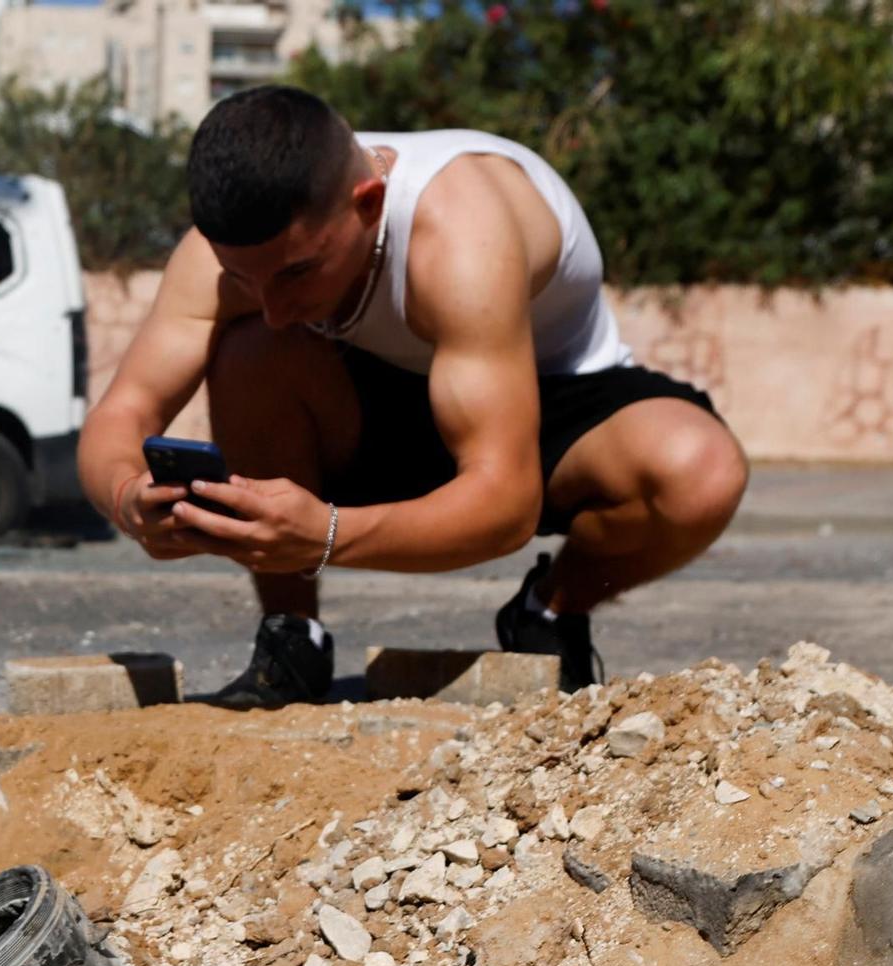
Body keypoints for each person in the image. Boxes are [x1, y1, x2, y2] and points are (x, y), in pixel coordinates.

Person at [76, 86, 749, 706]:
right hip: (373, 406)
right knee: (253, 346)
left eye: (298, 272)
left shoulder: (461, 232)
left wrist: (326, 534)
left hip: (552, 407)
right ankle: (292, 636)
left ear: (367, 203)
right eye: (245, 278)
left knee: (700, 473)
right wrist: (128, 500)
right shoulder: (225, 256)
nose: (276, 305)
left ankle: (548, 613)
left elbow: (507, 506)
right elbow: (119, 415)